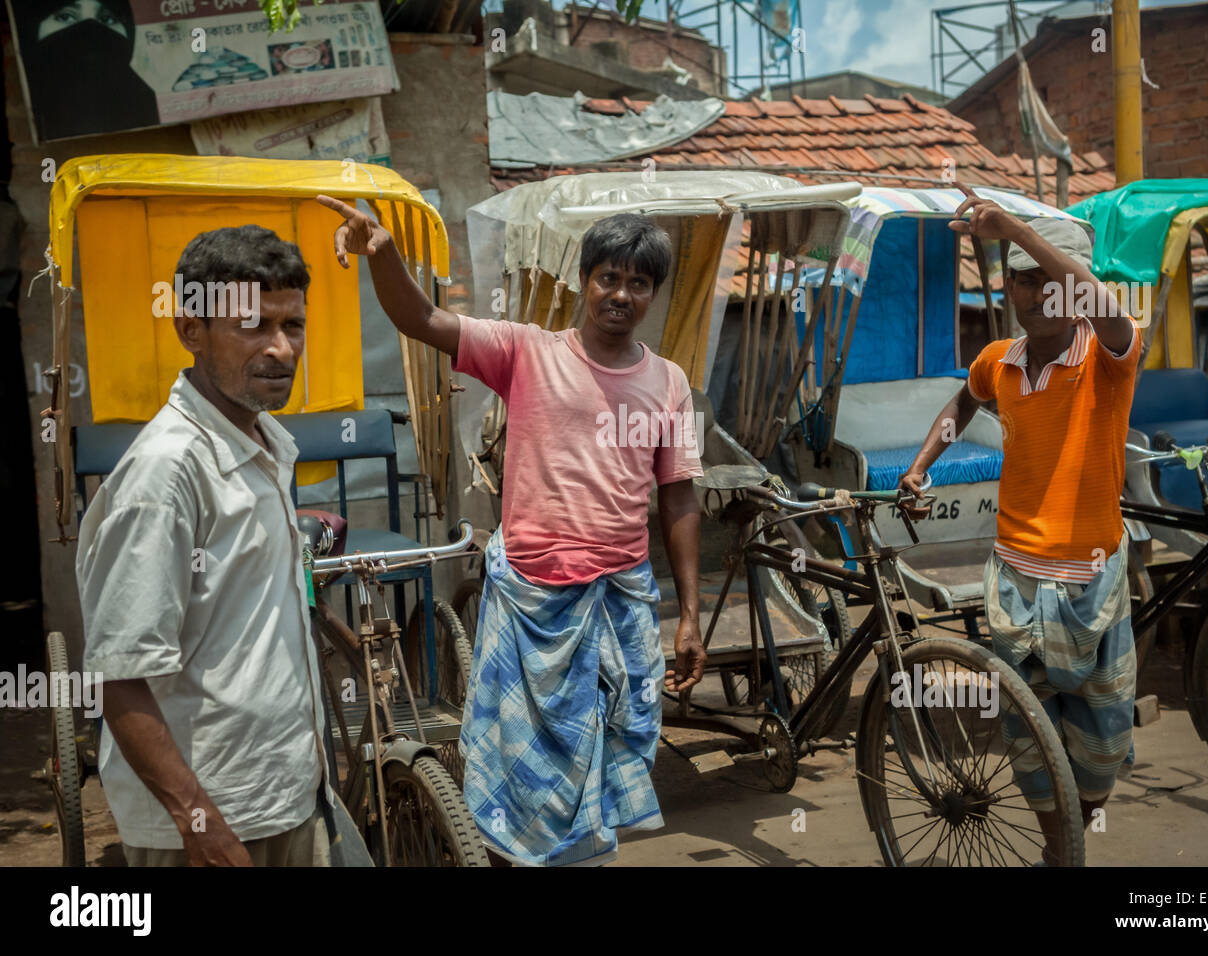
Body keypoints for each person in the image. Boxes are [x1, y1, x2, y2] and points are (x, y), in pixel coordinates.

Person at [316, 195, 708, 866]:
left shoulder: (671, 384)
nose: (620, 294)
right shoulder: (525, 351)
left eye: (637, 282)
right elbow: (421, 317)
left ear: (653, 295)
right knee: (514, 771)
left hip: (618, 605)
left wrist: (691, 613)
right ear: (585, 281)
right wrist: (381, 254)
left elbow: (678, 499)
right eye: (607, 277)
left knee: (602, 759)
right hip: (530, 601)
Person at [75, 226, 368, 867]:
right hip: (209, 825)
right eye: (252, 325)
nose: (280, 348)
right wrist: (199, 824)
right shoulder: (167, 474)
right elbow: (119, 677)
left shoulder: (265, 444)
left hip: (288, 794)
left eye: (293, 326)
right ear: (190, 330)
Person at [898, 184, 1140, 865]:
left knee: (1103, 738)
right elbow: (962, 403)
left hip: (1092, 580)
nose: (1032, 296)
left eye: (1047, 282)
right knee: (1027, 736)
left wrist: (1016, 232)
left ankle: (1078, 823)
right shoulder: (999, 362)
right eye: (1018, 283)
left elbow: (1104, 304)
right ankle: (1058, 851)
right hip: (1013, 579)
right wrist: (922, 464)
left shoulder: (1109, 356)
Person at [18, 1, 160, 141]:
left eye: (107, 19)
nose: (90, 30)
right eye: (65, 17)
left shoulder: (149, 110)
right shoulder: (18, 118)